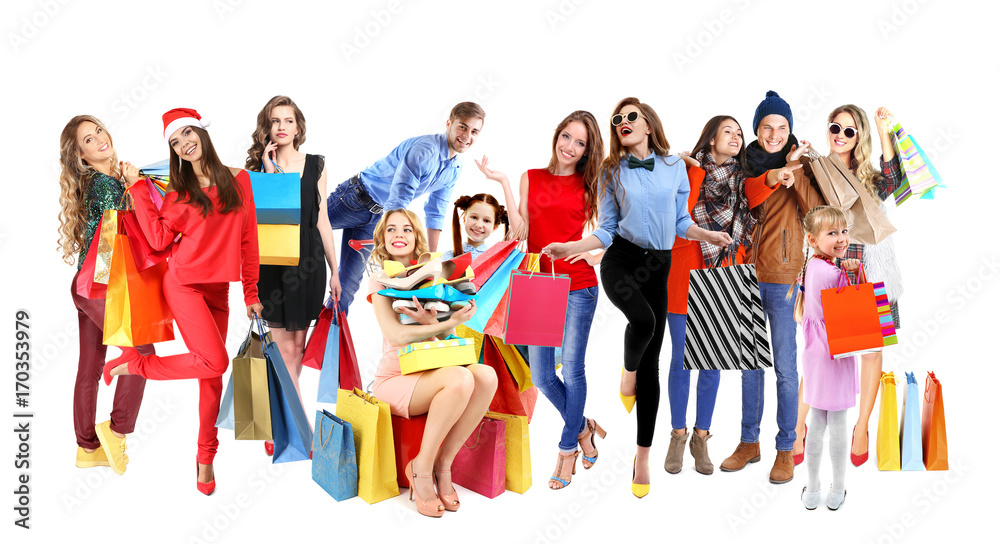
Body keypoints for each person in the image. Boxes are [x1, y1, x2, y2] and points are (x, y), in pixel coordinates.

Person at [545, 98, 752, 498]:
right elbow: (605, 230)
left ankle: (642, 456)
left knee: (654, 364)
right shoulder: (611, 170)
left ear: (648, 124)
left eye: (631, 117)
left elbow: (681, 222)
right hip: (621, 260)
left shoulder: (675, 166)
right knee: (645, 323)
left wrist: (707, 235)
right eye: (617, 119)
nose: (623, 122)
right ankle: (627, 373)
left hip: (660, 264)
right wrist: (571, 247)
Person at [104, 108, 262, 496]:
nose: (183, 144)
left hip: (218, 291)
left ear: (202, 133)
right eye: (175, 142)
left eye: (187, 134)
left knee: (212, 378)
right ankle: (135, 364)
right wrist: (139, 188)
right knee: (216, 360)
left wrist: (251, 293)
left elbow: (248, 239)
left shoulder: (239, 180)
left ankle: (205, 456)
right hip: (184, 285)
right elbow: (158, 240)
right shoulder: (177, 190)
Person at [477, 110, 607, 489]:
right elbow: (521, 232)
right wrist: (502, 180)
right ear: (557, 136)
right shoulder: (531, 178)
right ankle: (585, 427)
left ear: (587, 150)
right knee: (541, 376)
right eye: (566, 137)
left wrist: (586, 253)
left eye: (580, 143)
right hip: (536, 286)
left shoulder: (591, 185)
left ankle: (567, 448)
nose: (570, 147)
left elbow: (606, 241)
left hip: (579, 287)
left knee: (572, 369)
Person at [666, 116, 792, 475]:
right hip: (685, 277)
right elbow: (683, 214)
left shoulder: (740, 180)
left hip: (723, 278)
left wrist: (777, 175)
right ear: (710, 139)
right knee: (680, 361)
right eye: (728, 132)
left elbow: (759, 186)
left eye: (740, 133)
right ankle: (677, 434)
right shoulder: (685, 172)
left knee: (711, 363)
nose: (736, 137)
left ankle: (701, 438)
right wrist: (692, 169)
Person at [791, 105, 904, 467]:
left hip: (870, 271)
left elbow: (896, 179)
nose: (840, 134)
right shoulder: (817, 167)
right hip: (829, 270)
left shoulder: (869, 177)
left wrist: (883, 128)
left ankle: (861, 428)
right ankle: (796, 427)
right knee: (820, 353)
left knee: (871, 352)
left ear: (860, 138)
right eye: (835, 127)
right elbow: (801, 203)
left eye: (850, 131)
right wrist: (796, 160)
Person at [720, 90, 822, 484]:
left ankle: (785, 446)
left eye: (782, 128)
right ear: (757, 130)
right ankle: (749, 442)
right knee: (749, 364)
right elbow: (750, 196)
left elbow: (814, 211)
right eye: (767, 127)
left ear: (790, 131)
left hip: (782, 273)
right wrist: (775, 174)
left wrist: (794, 171)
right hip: (744, 270)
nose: (774, 134)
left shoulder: (802, 166)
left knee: (783, 365)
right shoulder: (746, 165)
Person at [368, 209, 497, 517]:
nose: (399, 234)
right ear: (383, 241)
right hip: (395, 378)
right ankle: (421, 468)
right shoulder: (379, 280)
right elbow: (397, 335)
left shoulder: (432, 276)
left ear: (417, 238)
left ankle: (444, 464)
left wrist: (443, 321)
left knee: (486, 375)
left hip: (432, 371)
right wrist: (438, 324)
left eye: (407, 229)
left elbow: (449, 338)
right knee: (460, 379)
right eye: (391, 230)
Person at [57, 115, 153, 476]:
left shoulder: (109, 180)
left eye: (97, 130)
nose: (98, 139)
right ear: (81, 157)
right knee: (142, 351)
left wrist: (132, 182)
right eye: (87, 140)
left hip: (89, 284)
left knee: (89, 367)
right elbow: (137, 231)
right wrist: (137, 186)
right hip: (99, 285)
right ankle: (116, 431)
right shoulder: (106, 185)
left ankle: (87, 449)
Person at [246, 96, 340, 456]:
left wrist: (334, 271)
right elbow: (259, 226)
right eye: (275, 121)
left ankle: (278, 417)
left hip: (311, 264)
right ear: (267, 128)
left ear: (298, 127)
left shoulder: (316, 164)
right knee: (285, 350)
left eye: (288, 120)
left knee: (296, 351)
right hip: (273, 265)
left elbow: (322, 219)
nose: (282, 126)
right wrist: (271, 176)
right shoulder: (257, 171)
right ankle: (301, 428)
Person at [326, 102, 485, 314]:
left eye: (474, 131)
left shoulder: (454, 167)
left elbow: (436, 211)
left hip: (377, 217)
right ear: (449, 123)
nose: (467, 136)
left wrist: (430, 259)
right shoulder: (424, 151)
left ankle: (328, 340)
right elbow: (398, 201)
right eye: (462, 127)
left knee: (347, 287)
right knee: (299, 229)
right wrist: (392, 249)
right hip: (355, 199)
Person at [793, 205, 859, 511]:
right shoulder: (833, 272)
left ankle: (813, 490)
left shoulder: (811, 268)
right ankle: (837, 490)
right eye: (832, 233)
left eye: (844, 231)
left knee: (817, 420)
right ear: (812, 239)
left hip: (815, 354)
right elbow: (854, 305)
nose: (842, 238)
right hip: (837, 350)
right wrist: (855, 273)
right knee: (839, 422)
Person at [441, 193, 510, 260]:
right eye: (474, 217)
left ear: (494, 227)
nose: (479, 225)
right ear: (464, 219)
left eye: (486, 221)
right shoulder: (447, 258)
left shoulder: (497, 261)